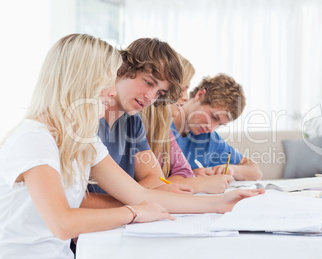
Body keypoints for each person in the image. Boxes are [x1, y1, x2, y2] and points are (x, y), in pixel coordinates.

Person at [0, 34, 264, 259]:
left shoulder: (84, 140)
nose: (112, 91)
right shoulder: (34, 138)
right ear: (79, 81)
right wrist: (132, 212)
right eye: (106, 81)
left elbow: (141, 194)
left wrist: (220, 203)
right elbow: (62, 224)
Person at [88, 38, 193, 195]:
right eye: (149, 83)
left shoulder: (133, 121)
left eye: (159, 93)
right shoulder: (87, 116)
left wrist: (134, 197)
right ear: (124, 68)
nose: (151, 97)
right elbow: (75, 200)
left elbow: (155, 177)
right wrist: (135, 199)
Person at [140, 54, 233, 194]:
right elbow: (142, 186)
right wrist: (199, 184)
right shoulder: (136, 123)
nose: (185, 97)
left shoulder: (164, 129)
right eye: (182, 89)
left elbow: (183, 172)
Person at [172, 73, 263, 181]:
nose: (211, 129)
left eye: (220, 124)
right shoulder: (160, 126)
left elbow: (256, 172)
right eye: (213, 117)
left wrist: (232, 169)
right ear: (200, 95)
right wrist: (189, 176)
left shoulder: (208, 139)